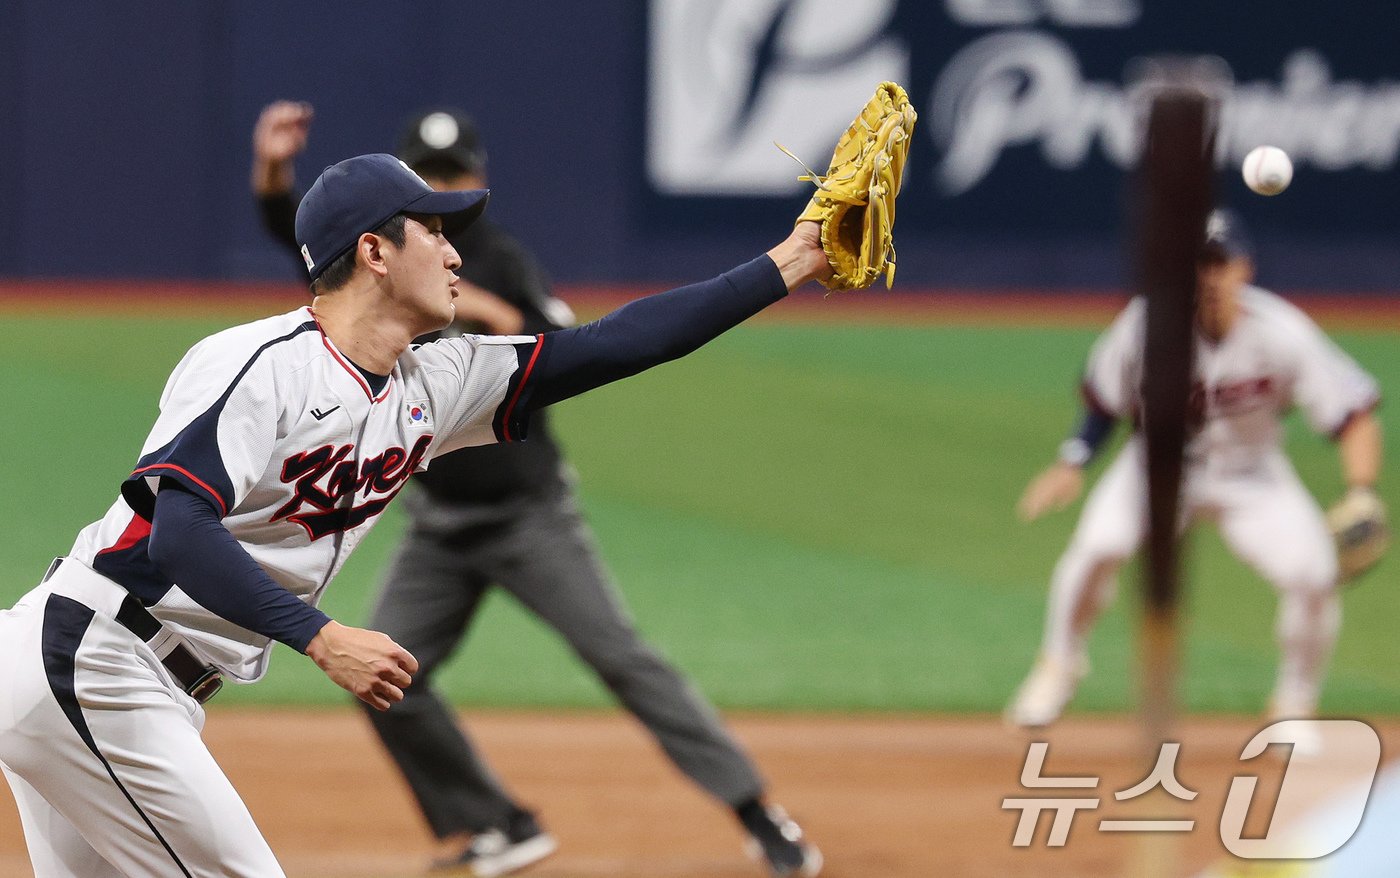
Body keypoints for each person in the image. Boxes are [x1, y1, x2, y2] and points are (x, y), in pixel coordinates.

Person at [0, 153, 831, 878]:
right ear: (373, 252)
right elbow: (180, 528)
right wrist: (322, 637)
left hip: (131, 683)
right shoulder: (260, 366)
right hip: (95, 662)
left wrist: (791, 261)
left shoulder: (434, 384)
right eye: (433, 231)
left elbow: (621, 343)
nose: (455, 250)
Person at [249, 102, 822, 877]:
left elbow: (591, 342)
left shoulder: (482, 262)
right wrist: (274, 168)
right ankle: (499, 823)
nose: (446, 192)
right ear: (377, 244)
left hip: (528, 516)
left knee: (621, 658)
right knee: (386, 673)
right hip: (439, 525)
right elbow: (303, 229)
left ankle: (758, 811)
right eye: (433, 176)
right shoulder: (371, 280)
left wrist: (789, 260)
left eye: (455, 176)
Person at [1005, 209, 1383, 729]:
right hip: (1154, 471)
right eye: (1197, 264)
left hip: (1252, 476)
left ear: (1243, 269)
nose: (1208, 277)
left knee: (1314, 576)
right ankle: (1059, 666)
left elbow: (1353, 413)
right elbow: (1103, 398)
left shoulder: (1282, 332)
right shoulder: (1144, 325)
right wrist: (1074, 460)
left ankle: (1293, 706)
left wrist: (1362, 492)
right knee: (1094, 551)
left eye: (1219, 263)